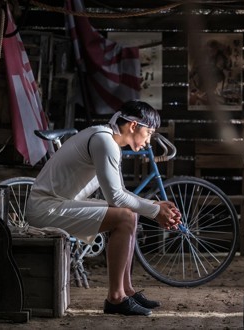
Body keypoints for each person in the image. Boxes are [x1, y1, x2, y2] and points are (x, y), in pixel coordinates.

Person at [26, 100, 182, 316]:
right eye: (149, 133)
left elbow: (119, 193)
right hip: (46, 209)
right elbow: (116, 197)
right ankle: (116, 298)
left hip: (57, 204)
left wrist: (154, 204)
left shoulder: (107, 139)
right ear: (134, 126)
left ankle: (126, 291)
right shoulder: (104, 141)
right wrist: (155, 212)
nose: (148, 142)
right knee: (125, 218)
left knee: (130, 216)